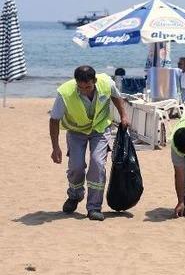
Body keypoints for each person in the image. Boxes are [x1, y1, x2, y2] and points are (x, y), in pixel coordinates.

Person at [49, 65, 129, 221]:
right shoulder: (64, 92)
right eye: (81, 87)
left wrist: (124, 115)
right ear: (76, 82)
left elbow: (116, 96)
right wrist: (55, 147)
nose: (84, 90)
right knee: (76, 166)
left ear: (95, 81)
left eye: (88, 87)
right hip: (76, 131)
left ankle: (94, 207)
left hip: (100, 129)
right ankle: (74, 196)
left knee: (97, 164)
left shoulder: (106, 83)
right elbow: (54, 120)